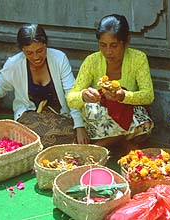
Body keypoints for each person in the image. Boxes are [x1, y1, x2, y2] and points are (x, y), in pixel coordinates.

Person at [0, 24, 89, 147]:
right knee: (32, 136)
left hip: (59, 115)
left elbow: (71, 93)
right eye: (29, 53)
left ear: (46, 45)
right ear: (22, 50)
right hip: (30, 115)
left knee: (73, 134)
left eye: (40, 51)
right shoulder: (14, 63)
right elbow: (1, 83)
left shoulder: (59, 59)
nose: (36, 57)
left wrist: (79, 125)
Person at [66, 14, 154, 149]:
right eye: (103, 45)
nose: (108, 52)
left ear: (127, 41)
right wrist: (83, 95)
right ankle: (123, 139)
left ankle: (101, 146)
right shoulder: (92, 61)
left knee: (143, 122)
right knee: (90, 109)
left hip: (128, 112)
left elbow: (148, 96)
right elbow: (71, 98)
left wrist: (123, 96)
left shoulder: (138, 59)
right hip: (103, 119)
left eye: (114, 45)